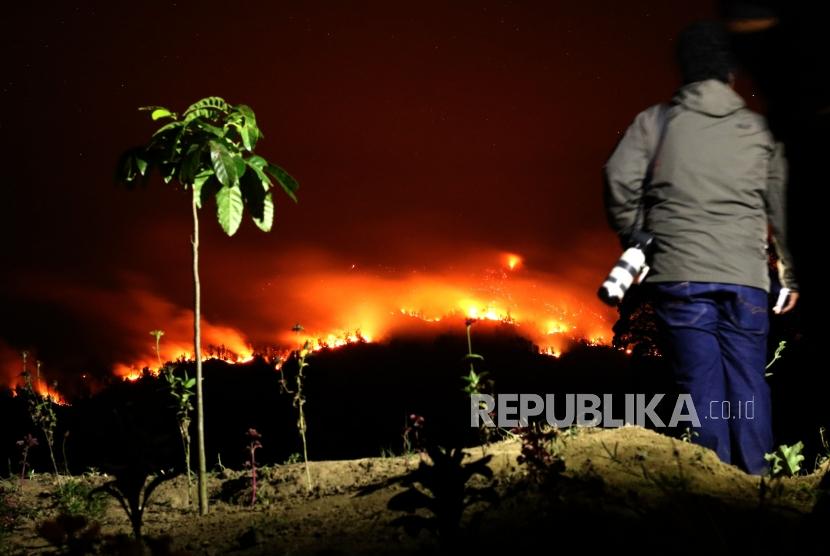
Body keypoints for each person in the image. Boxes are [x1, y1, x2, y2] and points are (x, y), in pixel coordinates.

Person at [602, 21, 798, 475]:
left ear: (684, 71)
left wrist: (636, 238)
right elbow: (784, 204)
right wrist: (788, 272)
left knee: (700, 387)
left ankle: (716, 488)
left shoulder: (657, 122)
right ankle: (758, 487)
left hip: (680, 275)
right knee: (749, 383)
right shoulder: (759, 131)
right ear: (732, 73)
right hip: (746, 280)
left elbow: (617, 176)